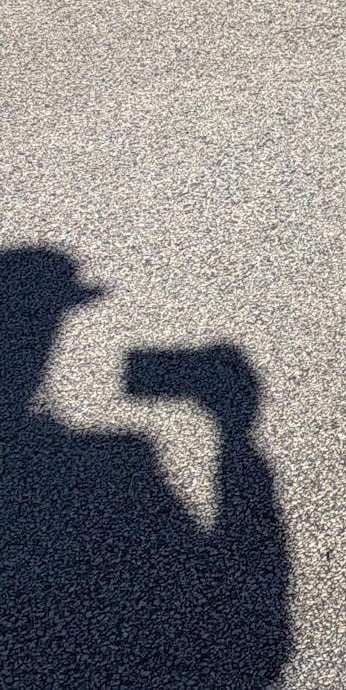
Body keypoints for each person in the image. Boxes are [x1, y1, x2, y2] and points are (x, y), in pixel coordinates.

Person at [0, 247, 290, 687]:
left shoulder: (112, 453)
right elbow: (252, 588)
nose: (50, 331)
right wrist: (233, 433)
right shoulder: (115, 457)